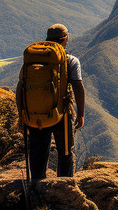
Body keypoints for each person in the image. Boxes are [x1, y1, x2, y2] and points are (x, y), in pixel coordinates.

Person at [16, 24, 85, 180]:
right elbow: (78, 88)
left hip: (35, 114)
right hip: (62, 114)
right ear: (65, 39)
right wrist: (80, 114)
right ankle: (64, 186)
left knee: (38, 151)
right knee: (65, 152)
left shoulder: (32, 59)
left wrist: (22, 113)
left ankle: (36, 185)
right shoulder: (71, 60)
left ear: (47, 39)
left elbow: (20, 87)